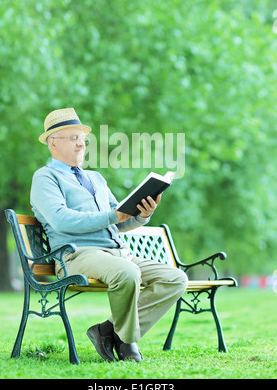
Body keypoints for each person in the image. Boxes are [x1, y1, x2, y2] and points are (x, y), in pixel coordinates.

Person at [31, 108, 188, 362]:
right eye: (73, 138)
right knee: (127, 273)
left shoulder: (96, 177)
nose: (81, 143)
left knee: (176, 279)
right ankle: (127, 342)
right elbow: (61, 219)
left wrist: (141, 215)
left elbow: (119, 221)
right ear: (53, 143)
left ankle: (107, 330)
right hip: (76, 255)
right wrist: (114, 216)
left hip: (117, 252)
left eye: (82, 138)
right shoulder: (45, 177)